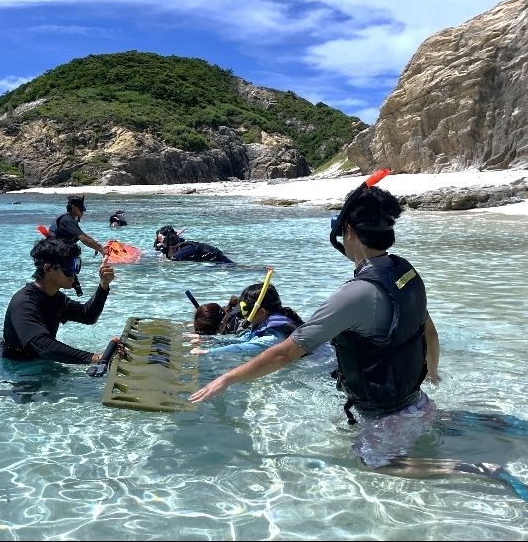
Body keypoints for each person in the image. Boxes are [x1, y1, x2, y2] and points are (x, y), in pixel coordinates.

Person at [189, 181, 442, 470]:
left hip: (388, 418)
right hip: (417, 402)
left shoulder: (356, 294)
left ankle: (464, 469)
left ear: (349, 232)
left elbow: (285, 353)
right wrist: (432, 372)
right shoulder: (404, 272)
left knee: (373, 465)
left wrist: (227, 378)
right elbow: (429, 333)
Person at [0, 237, 116, 364]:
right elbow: (43, 346)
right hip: (17, 366)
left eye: (76, 265)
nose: (74, 273)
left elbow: (87, 316)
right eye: (69, 267)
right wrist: (94, 358)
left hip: (39, 362)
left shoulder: (55, 297)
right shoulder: (24, 304)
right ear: (48, 269)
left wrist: (103, 285)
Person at [191, 284, 303, 354]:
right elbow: (243, 339)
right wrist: (209, 340)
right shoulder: (262, 324)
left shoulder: (273, 336)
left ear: (261, 312)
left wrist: (208, 351)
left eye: (245, 310)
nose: (243, 315)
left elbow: (243, 347)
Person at [161, 232, 233, 264]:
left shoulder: (182, 251)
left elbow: (172, 260)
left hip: (218, 260)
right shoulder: (185, 246)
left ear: (171, 247)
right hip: (217, 257)